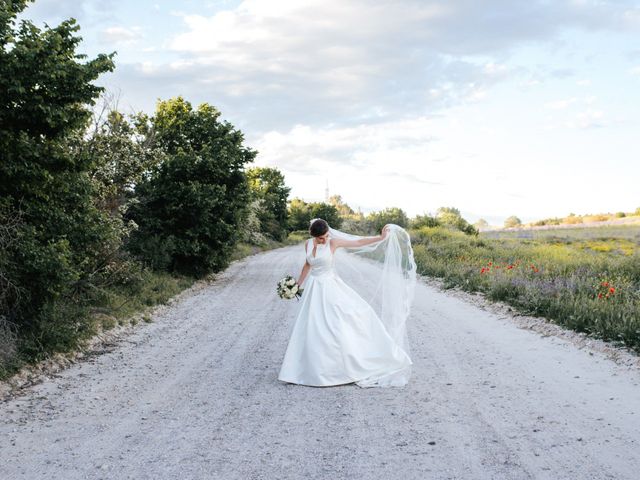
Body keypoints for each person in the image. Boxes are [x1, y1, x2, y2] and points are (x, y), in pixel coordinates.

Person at [277, 218, 414, 388]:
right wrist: (297, 284)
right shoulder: (308, 244)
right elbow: (307, 265)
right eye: (321, 238)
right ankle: (308, 368)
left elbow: (358, 242)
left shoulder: (333, 243)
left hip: (330, 286)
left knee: (341, 320)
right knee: (312, 325)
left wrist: (380, 238)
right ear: (313, 236)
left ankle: (345, 364)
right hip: (314, 288)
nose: (324, 240)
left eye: (326, 236)